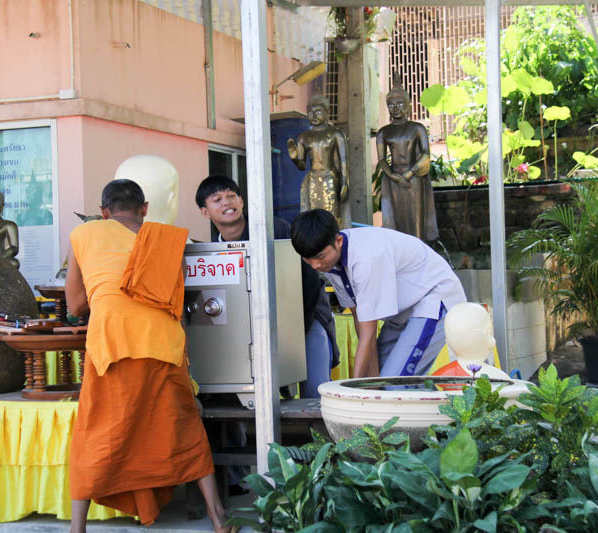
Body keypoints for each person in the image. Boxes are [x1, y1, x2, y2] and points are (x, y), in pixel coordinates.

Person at [65, 179, 230, 533]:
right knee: (185, 429)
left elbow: (76, 305)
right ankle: (219, 519)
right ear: (144, 208)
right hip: (163, 346)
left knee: (95, 436)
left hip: (112, 346)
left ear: (104, 211)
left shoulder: (83, 234)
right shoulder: (167, 239)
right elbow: (177, 303)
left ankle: (77, 529)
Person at [195, 175, 339, 397]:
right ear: (205, 212)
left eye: (231, 196)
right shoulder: (214, 250)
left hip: (306, 320)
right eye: (217, 199)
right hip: (256, 334)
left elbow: (309, 279)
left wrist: (296, 328)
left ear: (241, 201)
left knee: (316, 392)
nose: (226, 202)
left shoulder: (273, 229)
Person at [290, 208, 466, 379]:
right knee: (381, 380)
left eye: (320, 257)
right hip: (402, 312)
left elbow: (368, 331)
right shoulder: (328, 263)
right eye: (307, 259)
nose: (315, 266)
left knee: (394, 383)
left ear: (339, 241)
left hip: (434, 298)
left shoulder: (367, 257)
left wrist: (356, 387)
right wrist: (371, 382)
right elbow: (360, 320)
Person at [375, 75, 438, 242]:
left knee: (416, 220)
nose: (395, 108)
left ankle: (419, 249)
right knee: (397, 220)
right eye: (391, 105)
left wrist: (410, 173)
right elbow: (382, 160)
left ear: (408, 105)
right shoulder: (383, 132)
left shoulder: (417, 128)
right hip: (394, 179)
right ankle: (400, 250)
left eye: (400, 104)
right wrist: (392, 175)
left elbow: (425, 154)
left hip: (414, 177)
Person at [287, 94, 349, 226]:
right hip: (312, 180)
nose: (314, 116)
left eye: (318, 112)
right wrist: (294, 158)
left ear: (327, 112)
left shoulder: (336, 134)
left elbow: (344, 161)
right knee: (314, 216)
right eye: (310, 113)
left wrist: (344, 182)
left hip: (330, 178)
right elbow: (302, 166)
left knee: (332, 216)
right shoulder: (304, 137)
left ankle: (333, 236)